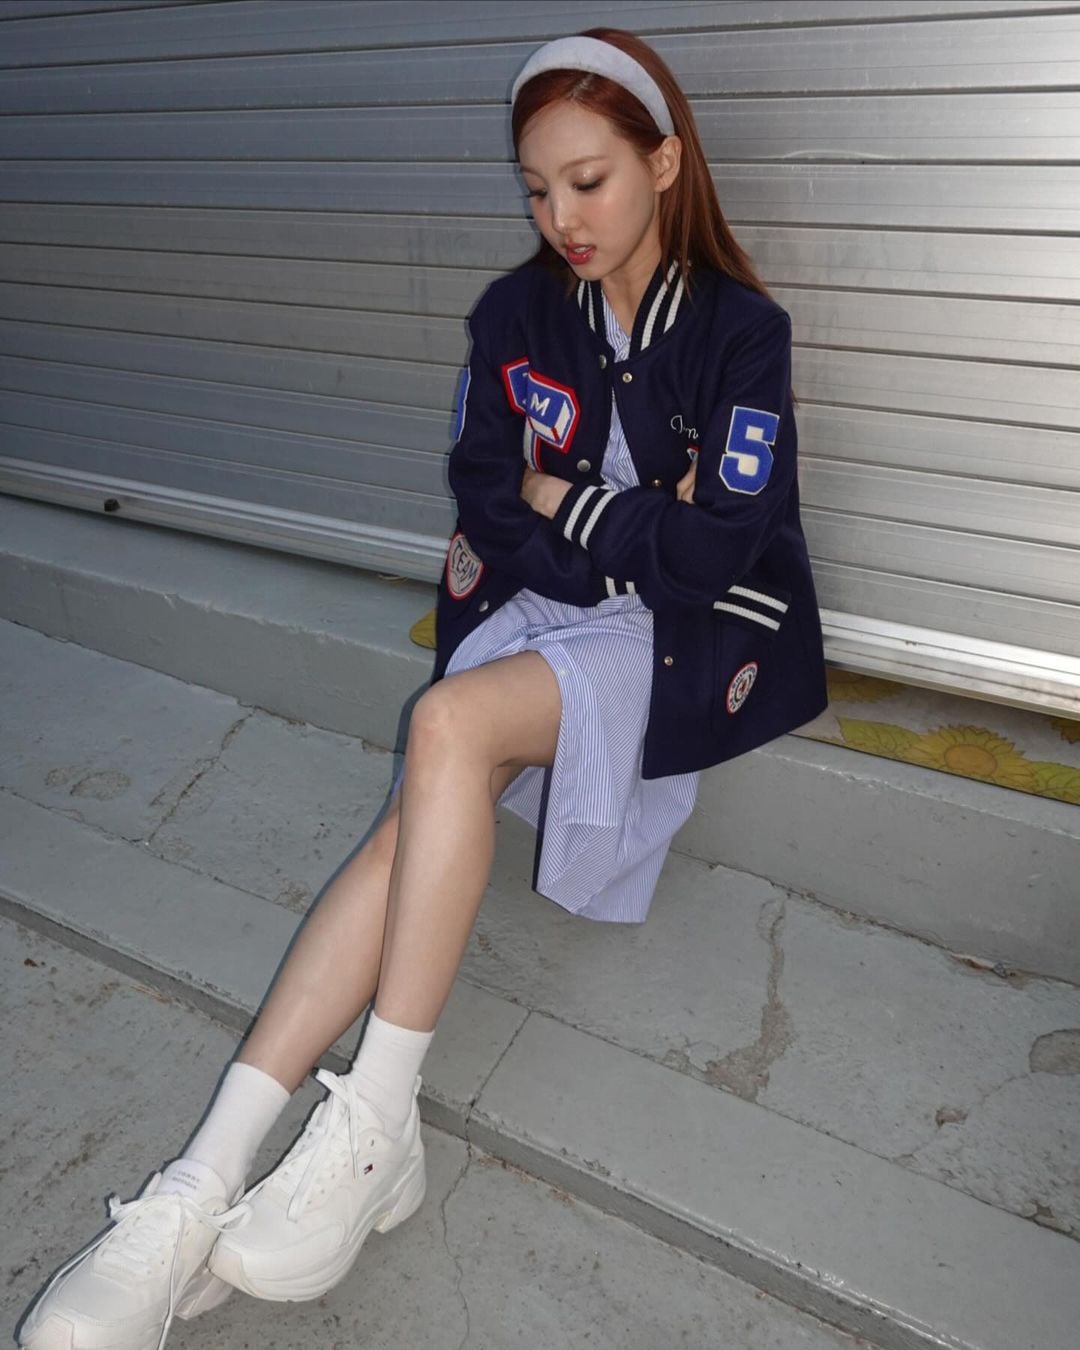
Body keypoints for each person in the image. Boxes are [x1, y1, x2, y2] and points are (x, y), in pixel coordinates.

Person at [17, 26, 827, 1350]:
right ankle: (198, 1189)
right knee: (418, 807)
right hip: (549, 608)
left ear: (666, 163)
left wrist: (571, 500)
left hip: (672, 641)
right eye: (537, 188)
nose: (561, 218)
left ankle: (376, 1120)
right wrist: (617, 514)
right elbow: (489, 497)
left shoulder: (742, 334)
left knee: (448, 720)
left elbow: (710, 559)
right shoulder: (518, 315)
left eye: (589, 181)